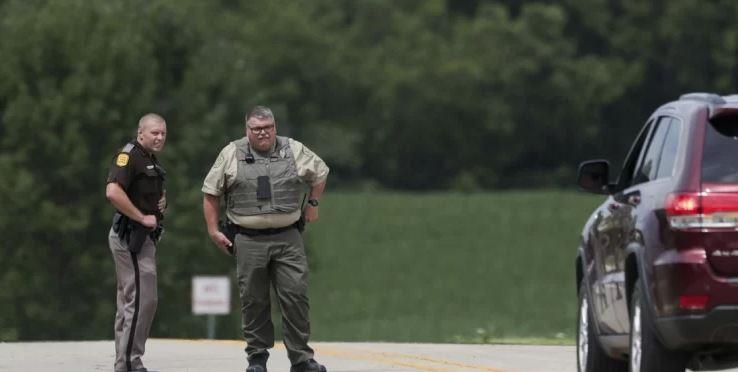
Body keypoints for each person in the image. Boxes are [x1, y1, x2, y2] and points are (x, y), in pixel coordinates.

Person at [202, 106, 329, 372]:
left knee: (295, 296)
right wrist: (214, 231)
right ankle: (257, 357)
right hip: (248, 239)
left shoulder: (291, 149)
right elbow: (211, 192)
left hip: (288, 237)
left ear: (275, 127)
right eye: (257, 129)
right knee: (254, 299)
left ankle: (301, 358)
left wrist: (313, 203)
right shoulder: (231, 153)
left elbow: (320, 171)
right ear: (247, 130)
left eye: (268, 127)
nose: (263, 133)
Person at [105, 113, 167, 372]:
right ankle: (131, 362)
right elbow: (112, 191)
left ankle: (124, 362)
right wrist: (142, 216)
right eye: (154, 132)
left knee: (130, 300)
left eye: (163, 133)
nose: (160, 137)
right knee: (143, 299)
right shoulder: (129, 155)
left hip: (142, 238)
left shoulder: (148, 158)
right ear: (141, 132)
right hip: (131, 237)